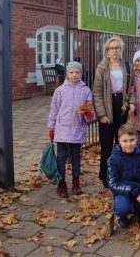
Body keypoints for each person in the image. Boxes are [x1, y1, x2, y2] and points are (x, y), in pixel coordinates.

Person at [93, 36, 136, 188]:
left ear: (121, 49)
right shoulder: (102, 67)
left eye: (117, 48)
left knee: (122, 143)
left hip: (121, 107)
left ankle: (121, 174)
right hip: (107, 106)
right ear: (107, 51)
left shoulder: (127, 66)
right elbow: (97, 92)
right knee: (106, 146)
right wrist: (102, 114)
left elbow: (131, 88)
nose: (115, 51)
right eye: (112, 48)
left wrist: (131, 102)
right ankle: (106, 176)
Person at [47, 61, 95, 198]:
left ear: (81, 74)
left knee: (75, 157)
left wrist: (88, 114)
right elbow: (54, 109)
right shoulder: (60, 90)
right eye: (71, 72)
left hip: (77, 129)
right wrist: (51, 127)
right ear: (67, 74)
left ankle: (76, 182)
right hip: (62, 129)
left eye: (77, 72)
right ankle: (61, 183)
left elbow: (90, 110)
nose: (74, 75)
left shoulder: (85, 90)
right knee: (61, 158)